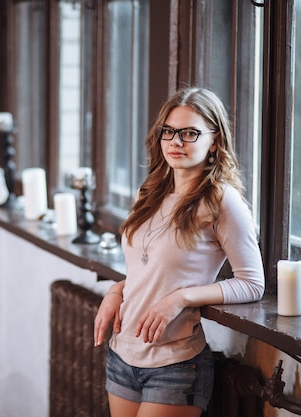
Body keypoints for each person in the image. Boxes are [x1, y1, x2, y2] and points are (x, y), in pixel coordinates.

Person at [93, 87, 265, 417]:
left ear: (214, 140)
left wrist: (180, 298)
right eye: (168, 132)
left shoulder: (222, 202)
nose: (176, 142)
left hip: (174, 364)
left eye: (189, 133)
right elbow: (145, 269)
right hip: (122, 354)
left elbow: (252, 283)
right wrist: (116, 290)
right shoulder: (149, 191)